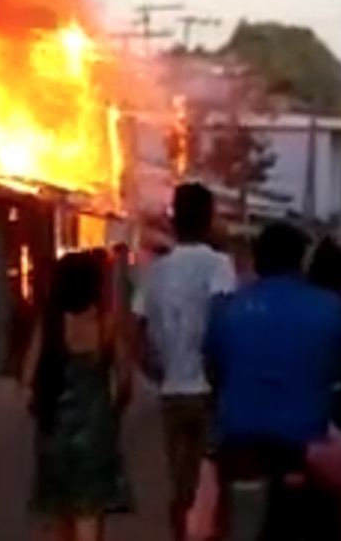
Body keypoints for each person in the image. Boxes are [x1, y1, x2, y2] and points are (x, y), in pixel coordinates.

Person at [204, 222, 341, 541]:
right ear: (301, 261)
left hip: (236, 446)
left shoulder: (227, 309)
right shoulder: (332, 307)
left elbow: (213, 368)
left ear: (256, 259)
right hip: (307, 445)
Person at [133, 182, 237, 540]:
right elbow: (225, 323)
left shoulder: (157, 271)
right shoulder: (220, 265)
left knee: (180, 485)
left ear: (175, 219)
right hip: (211, 392)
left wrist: (155, 368)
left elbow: (138, 330)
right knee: (214, 483)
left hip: (172, 391)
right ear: (208, 219)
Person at [21, 251, 133, 541]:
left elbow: (26, 382)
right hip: (95, 431)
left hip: (55, 430)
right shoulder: (107, 324)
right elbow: (124, 381)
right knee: (89, 514)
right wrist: (113, 412)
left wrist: (40, 410)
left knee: (61, 514)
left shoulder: (50, 324)